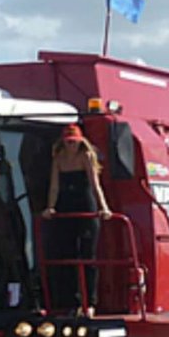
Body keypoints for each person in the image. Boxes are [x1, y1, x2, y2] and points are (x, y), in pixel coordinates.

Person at [42, 123, 112, 315]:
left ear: (81, 142)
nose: (71, 146)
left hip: (85, 205)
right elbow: (54, 186)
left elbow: (95, 185)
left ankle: (90, 303)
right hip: (66, 205)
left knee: (88, 255)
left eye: (74, 142)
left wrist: (103, 208)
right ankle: (70, 302)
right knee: (67, 254)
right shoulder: (58, 159)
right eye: (68, 142)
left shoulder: (86, 156)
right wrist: (50, 207)